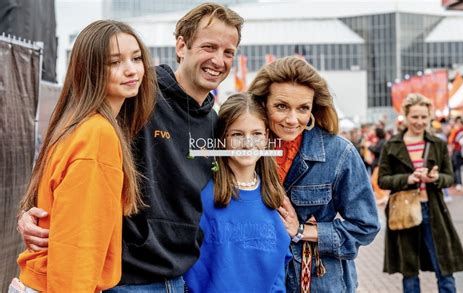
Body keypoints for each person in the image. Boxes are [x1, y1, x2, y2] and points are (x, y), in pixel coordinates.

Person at [17, 3, 244, 292]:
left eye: (228, 52)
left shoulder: (215, 123)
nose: (218, 60)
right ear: (182, 45)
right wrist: (29, 212)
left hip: (177, 279)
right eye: (209, 47)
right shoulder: (134, 97)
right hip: (125, 281)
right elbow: (66, 159)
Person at [11, 20, 156, 292]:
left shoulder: (79, 125)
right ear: (89, 69)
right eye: (115, 62)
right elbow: (79, 246)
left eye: (136, 58)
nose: (131, 70)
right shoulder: (97, 135)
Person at [248, 56, 380, 292]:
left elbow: (366, 226)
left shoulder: (339, 153)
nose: (292, 119)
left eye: (303, 108)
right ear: (262, 104)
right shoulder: (244, 152)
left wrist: (302, 231)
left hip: (320, 283)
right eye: (281, 106)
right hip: (259, 280)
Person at [184, 93, 291, 292]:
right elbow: (192, 269)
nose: (247, 143)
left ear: (267, 137)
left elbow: (278, 269)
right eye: (237, 134)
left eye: (256, 134)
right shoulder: (205, 197)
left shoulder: (275, 199)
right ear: (222, 139)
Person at [378, 93, 463, 293]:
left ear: (429, 117)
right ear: (406, 116)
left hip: (433, 210)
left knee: (444, 267)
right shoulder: (392, 145)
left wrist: (436, 178)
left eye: (423, 117)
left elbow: (449, 177)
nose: (419, 122)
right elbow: (382, 180)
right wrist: (407, 179)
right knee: (409, 271)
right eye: (415, 117)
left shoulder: (437, 143)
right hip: (405, 211)